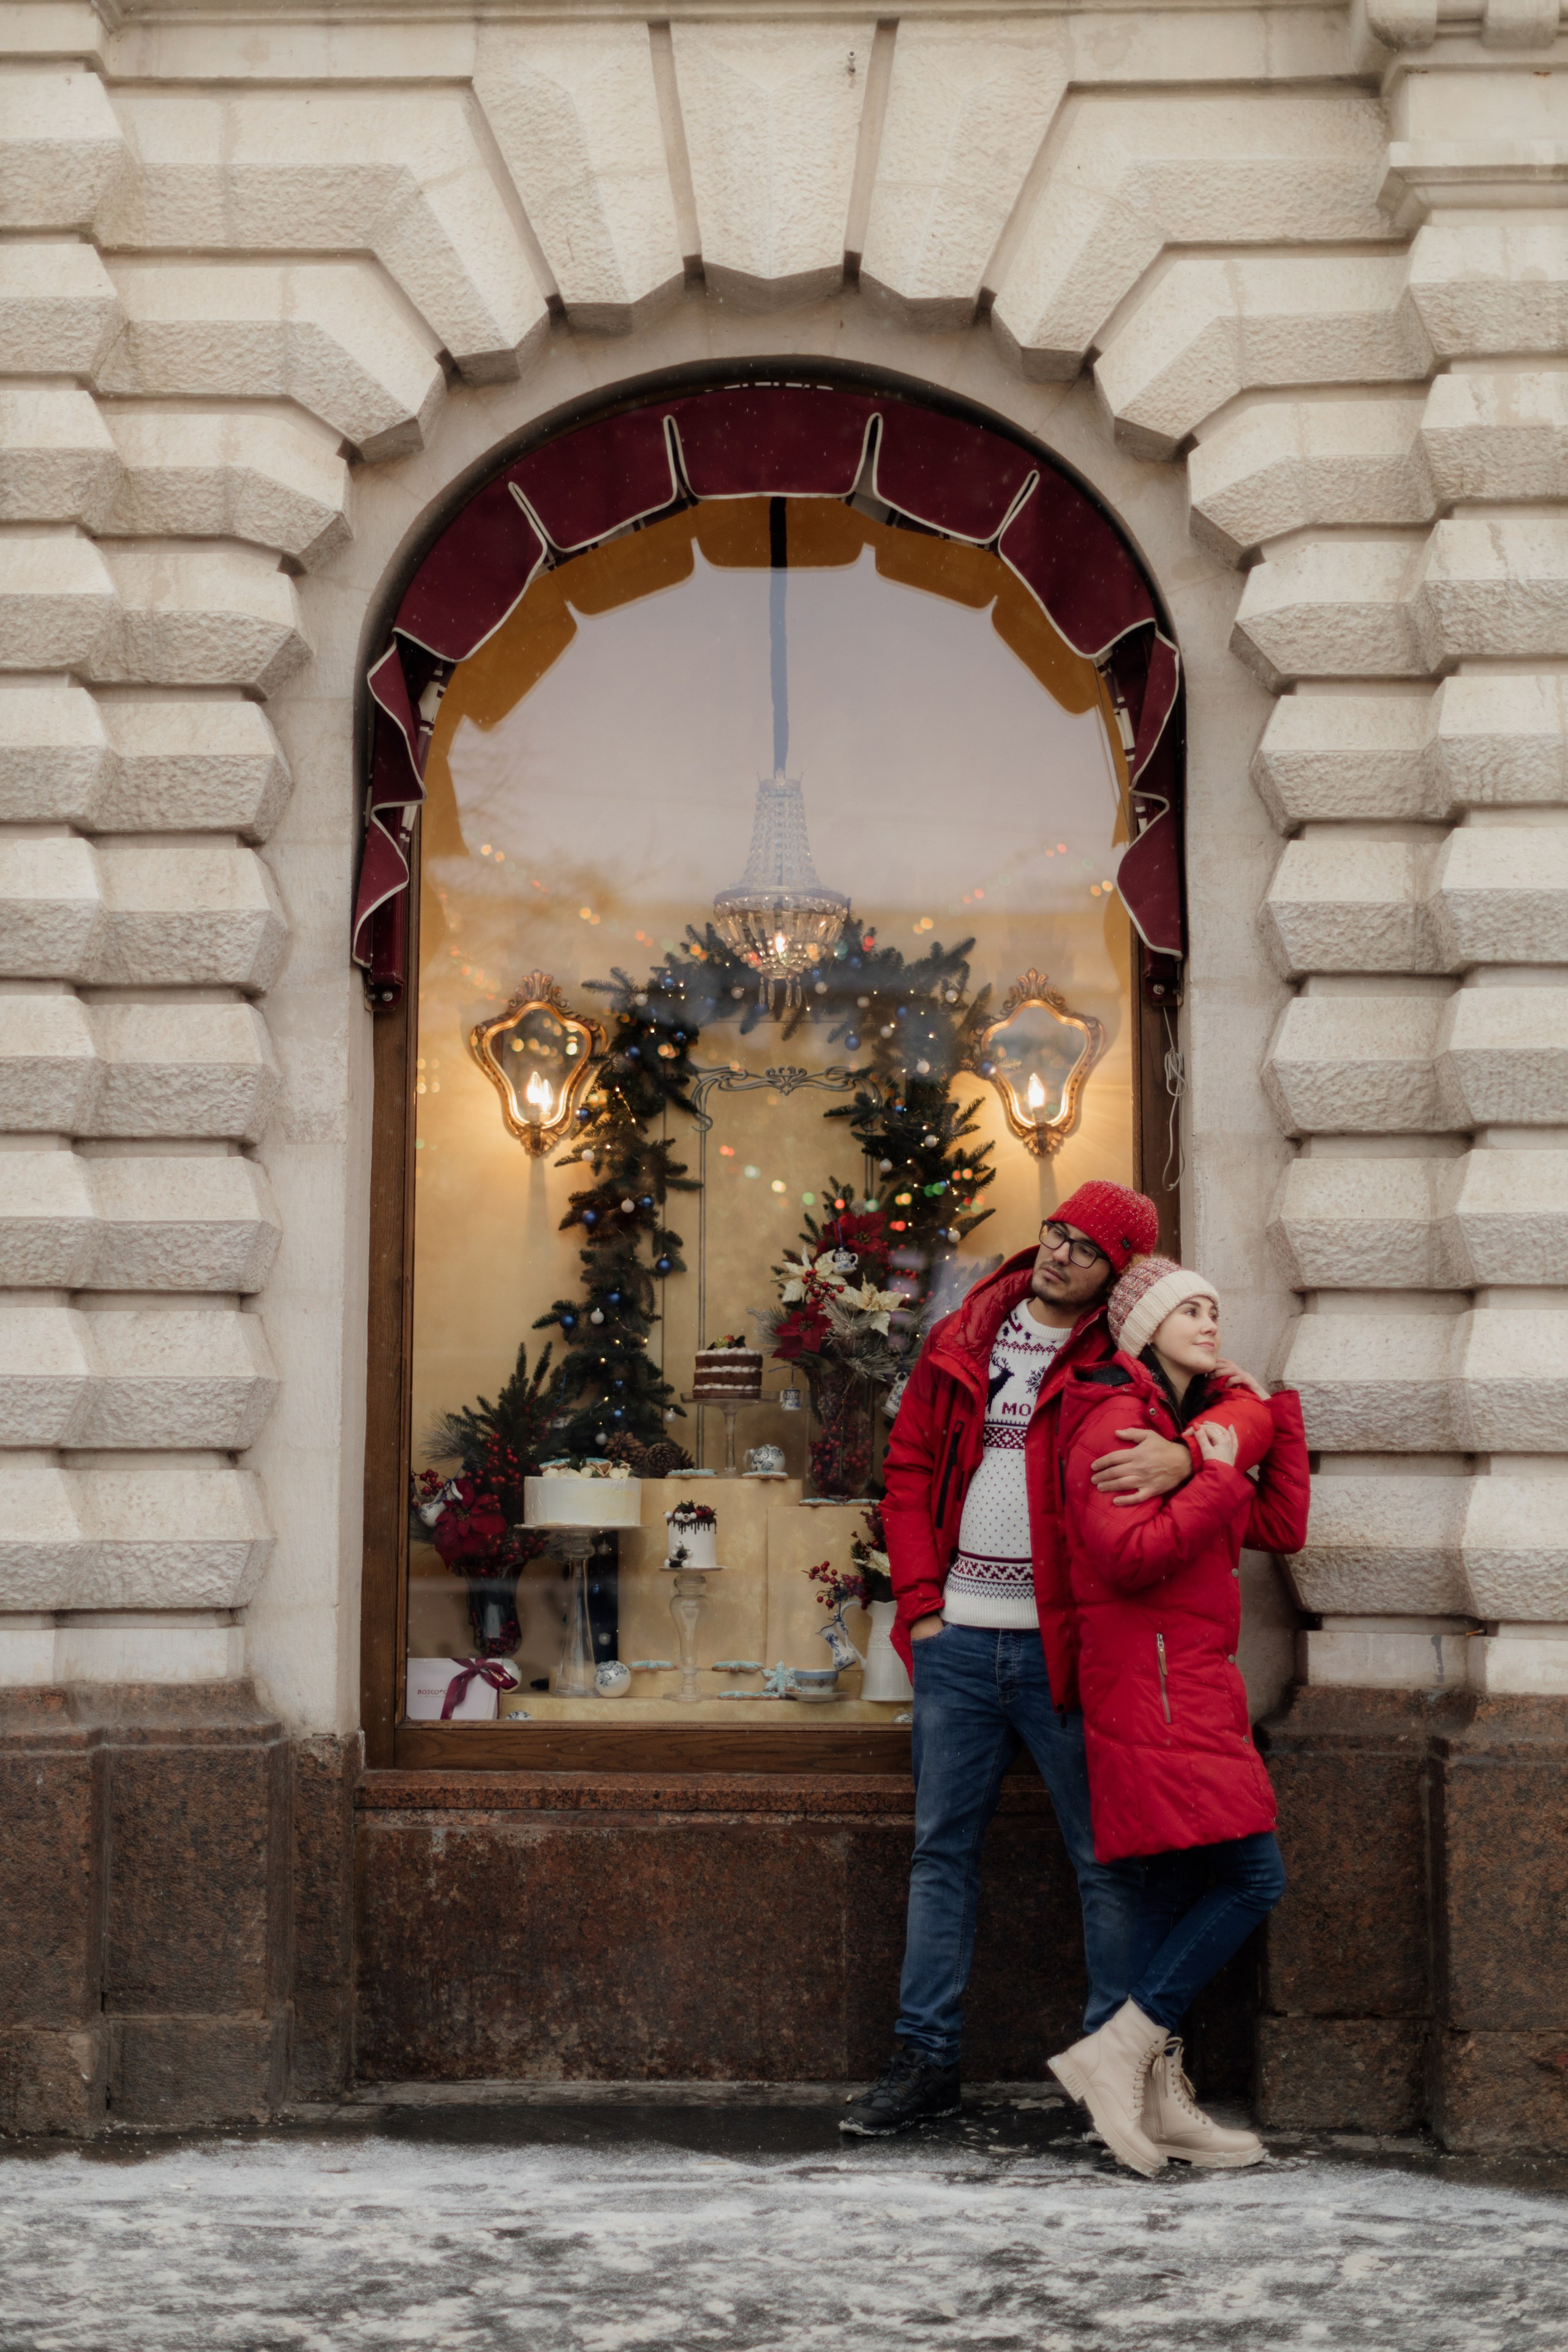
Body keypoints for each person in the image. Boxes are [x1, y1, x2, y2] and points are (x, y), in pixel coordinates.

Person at [840, 1181, 1199, 2139]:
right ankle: (925, 2064)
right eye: (1057, 1233)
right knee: (939, 1856)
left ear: (1116, 1273)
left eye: (1087, 1248)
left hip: (1066, 1650)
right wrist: (922, 1611)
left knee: (1105, 1863)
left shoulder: (1126, 1356)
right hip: (958, 1643)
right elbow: (910, 1467)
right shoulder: (965, 1334)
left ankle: (1109, 2079)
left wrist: (1188, 1458)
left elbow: (1237, 1405)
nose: (1061, 1254)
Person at [1046, 1256, 1310, 2174]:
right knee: (1254, 1877)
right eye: (1187, 1309)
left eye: (1214, 1309)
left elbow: (1280, 1523)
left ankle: (1156, 2099)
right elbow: (1126, 1558)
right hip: (1150, 1687)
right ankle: (1117, 2051)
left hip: (1183, 1681)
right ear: (1142, 1328)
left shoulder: (1179, 1424)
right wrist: (1216, 1469)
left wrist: (1255, 1424)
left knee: (1167, 1890)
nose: (1208, 1321)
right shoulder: (1113, 1422)